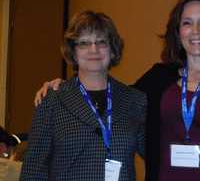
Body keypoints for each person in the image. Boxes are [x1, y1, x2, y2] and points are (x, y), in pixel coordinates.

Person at [34, 0, 200, 181]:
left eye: (101, 42)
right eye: (187, 22)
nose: (196, 30)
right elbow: (116, 96)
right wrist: (66, 88)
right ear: (178, 31)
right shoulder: (158, 79)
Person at [20, 10, 146, 181]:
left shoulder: (135, 100)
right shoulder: (52, 100)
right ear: (73, 51)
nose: (93, 49)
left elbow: (157, 157)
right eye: (84, 43)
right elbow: (33, 171)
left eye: (101, 42)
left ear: (113, 50)